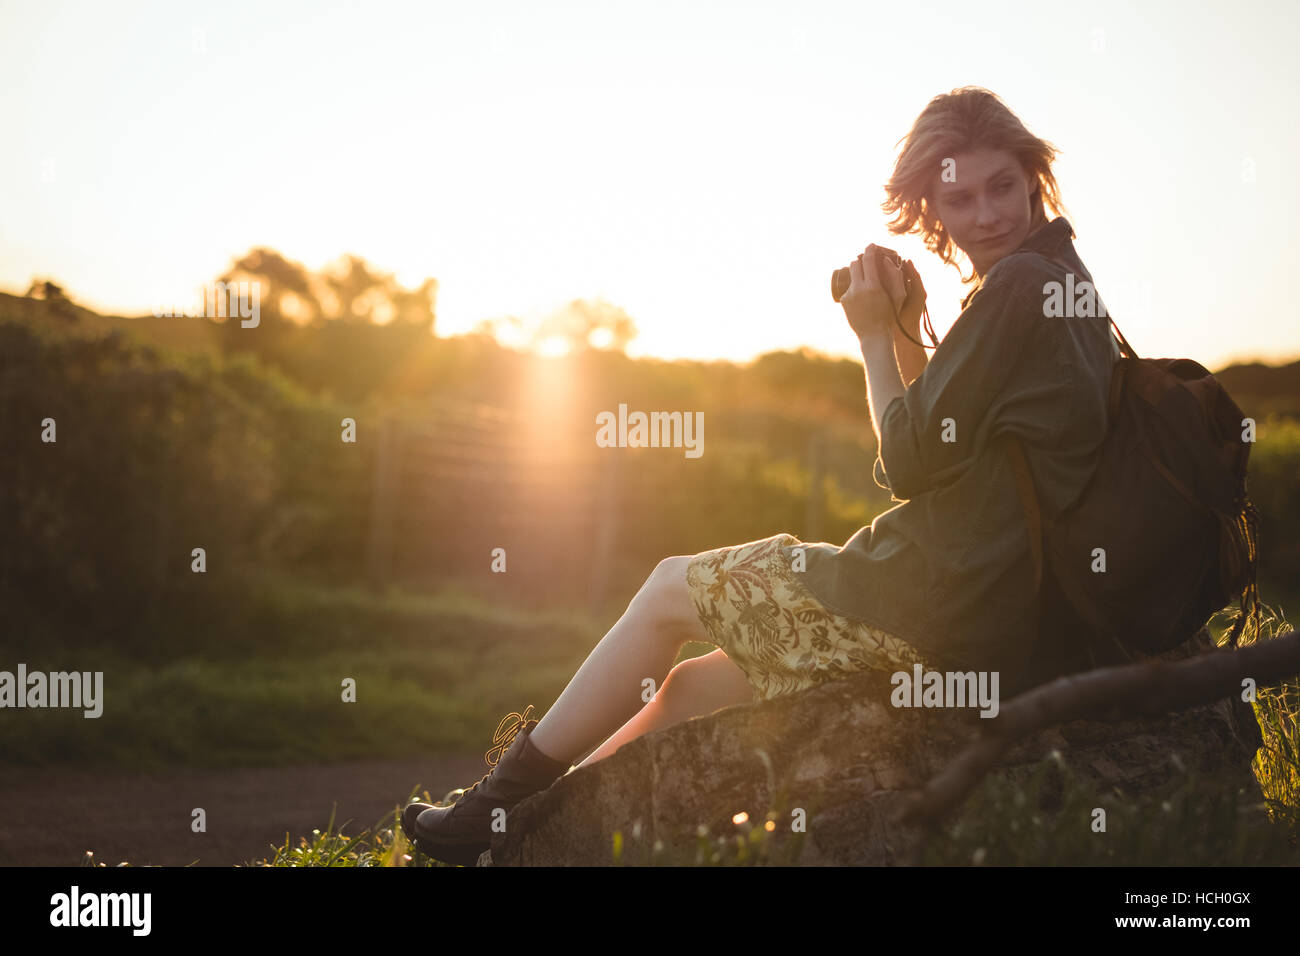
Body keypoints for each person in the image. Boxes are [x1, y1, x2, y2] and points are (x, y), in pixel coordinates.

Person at [401, 86, 1121, 865]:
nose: (985, 215)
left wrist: (875, 337)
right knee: (690, 690)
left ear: (1033, 175)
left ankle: (490, 809)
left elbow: (908, 465)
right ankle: (532, 835)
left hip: (937, 602)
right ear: (931, 208)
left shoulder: (1015, 287)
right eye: (961, 198)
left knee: (670, 588)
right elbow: (947, 448)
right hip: (995, 608)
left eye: (1001, 187)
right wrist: (913, 328)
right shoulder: (1058, 278)